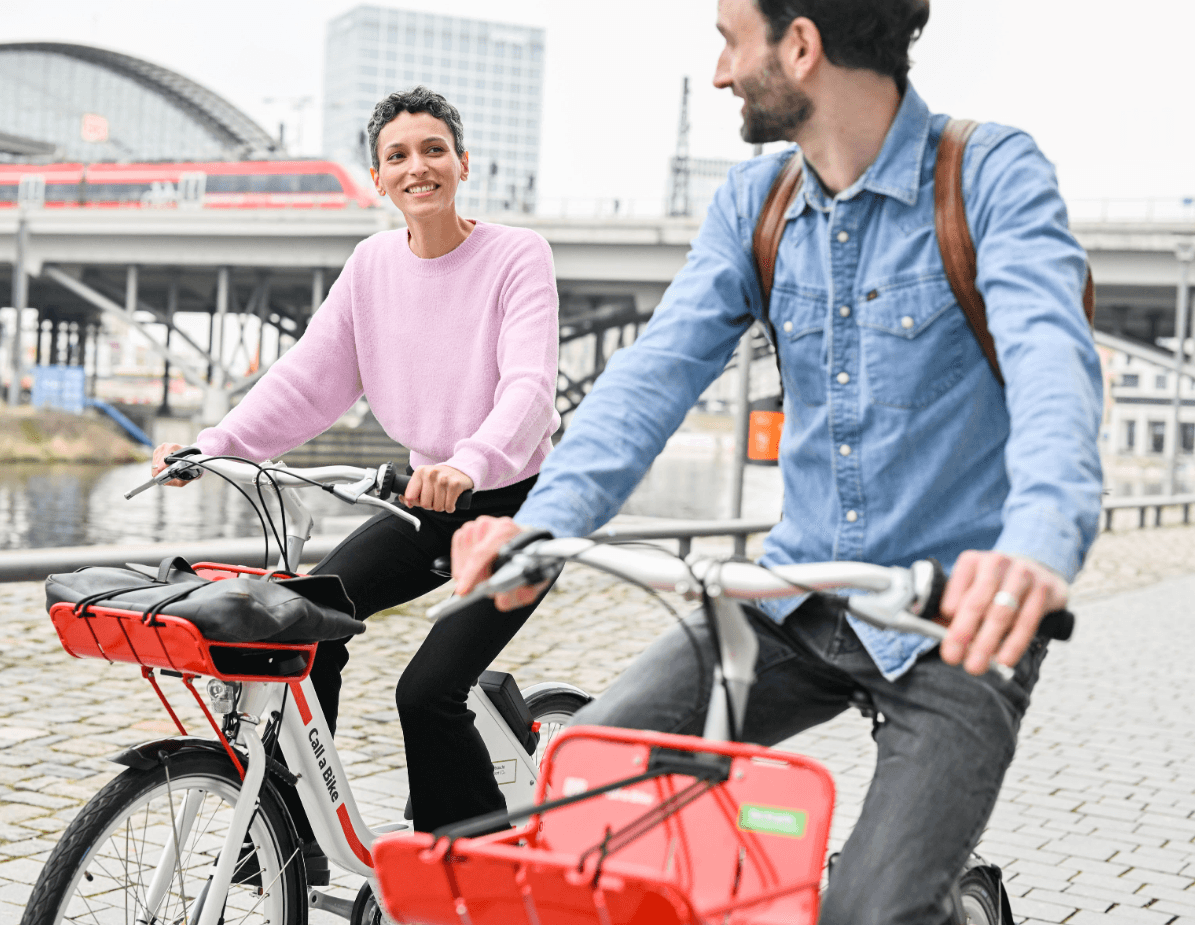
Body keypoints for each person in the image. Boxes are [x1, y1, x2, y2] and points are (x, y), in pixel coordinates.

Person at [450, 1, 1102, 922]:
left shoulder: (988, 176)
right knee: (584, 781)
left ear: (799, 47)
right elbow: (653, 375)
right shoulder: (755, 203)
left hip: (957, 619)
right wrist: (544, 523)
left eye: (729, 40)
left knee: (869, 913)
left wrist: (1036, 544)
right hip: (794, 598)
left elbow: (1051, 367)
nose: (719, 71)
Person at [151, 86, 562, 838]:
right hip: (421, 503)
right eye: (397, 156)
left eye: (433, 150)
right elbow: (309, 379)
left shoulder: (515, 255)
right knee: (304, 631)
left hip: (519, 509)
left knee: (428, 691)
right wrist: (211, 446)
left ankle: (466, 874)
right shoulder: (372, 265)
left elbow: (530, 387)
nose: (418, 167)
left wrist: (468, 463)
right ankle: (288, 842)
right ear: (377, 178)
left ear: (462, 163)